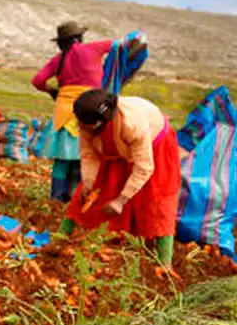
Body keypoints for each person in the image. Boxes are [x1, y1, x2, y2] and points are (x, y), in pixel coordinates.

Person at [58, 89, 181, 265]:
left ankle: (164, 263)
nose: (82, 130)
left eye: (86, 127)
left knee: (156, 200)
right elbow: (88, 155)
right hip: (116, 148)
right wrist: (88, 184)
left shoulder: (133, 125)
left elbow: (144, 167)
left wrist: (121, 200)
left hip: (155, 146)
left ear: (101, 123)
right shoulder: (87, 123)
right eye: (81, 125)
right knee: (88, 193)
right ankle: (59, 238)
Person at [32, 22, 113, 202]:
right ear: (79, 38)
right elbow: (119, 45)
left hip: (64, 111)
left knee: (62, 159)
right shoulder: (93, 48)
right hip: (89, 110)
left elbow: (37, 80)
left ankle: (56, 199)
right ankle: (77, 199)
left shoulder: (58, 59)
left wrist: (53, 91)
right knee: (83, 157)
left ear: (62, 42)